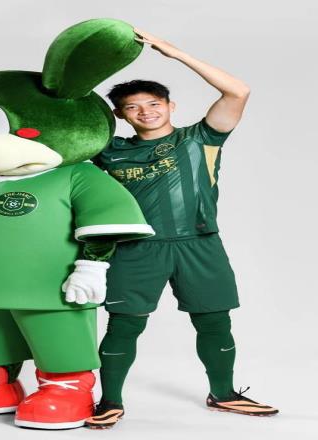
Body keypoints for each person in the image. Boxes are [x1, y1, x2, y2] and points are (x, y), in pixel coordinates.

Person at [85, 29, 278, 429]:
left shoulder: (200, 139)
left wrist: (175, 53)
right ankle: (109, 401)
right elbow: (55, 142)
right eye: (133, 107)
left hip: (199, 243)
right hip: (136, 249)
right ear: (120, 115)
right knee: (125, 325)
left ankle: (223, 394)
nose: (146, 112)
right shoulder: (108, 151)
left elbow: (238, 91)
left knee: (214, 321)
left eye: (154, 104)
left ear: (170, 106)